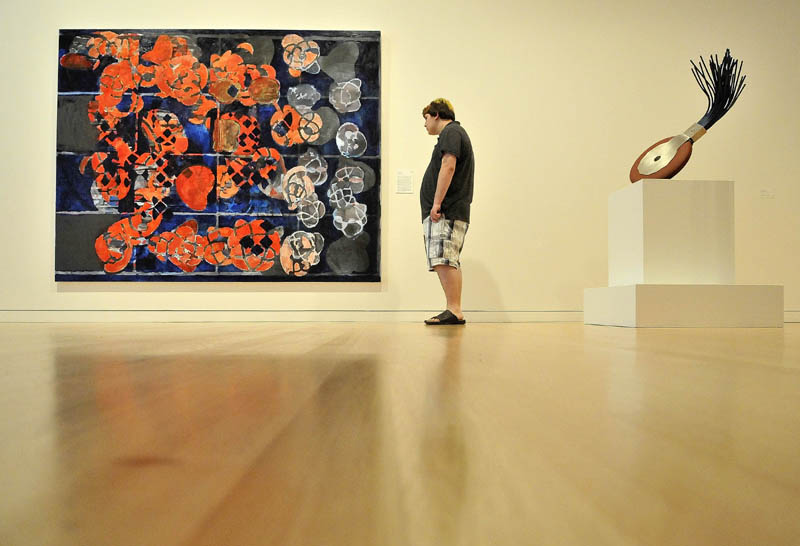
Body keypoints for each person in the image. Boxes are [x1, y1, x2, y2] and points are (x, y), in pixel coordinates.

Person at [419, 98, 474, 325]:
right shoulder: (451, 134)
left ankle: (454, 309)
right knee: (444, 258)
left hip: (447, 210)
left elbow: (448, 166)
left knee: (445, 258)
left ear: (436, 115)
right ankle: (453, 309)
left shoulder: (452, 132)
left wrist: (436, 203)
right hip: (446, 210)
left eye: (426, 118)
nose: (424, 124)